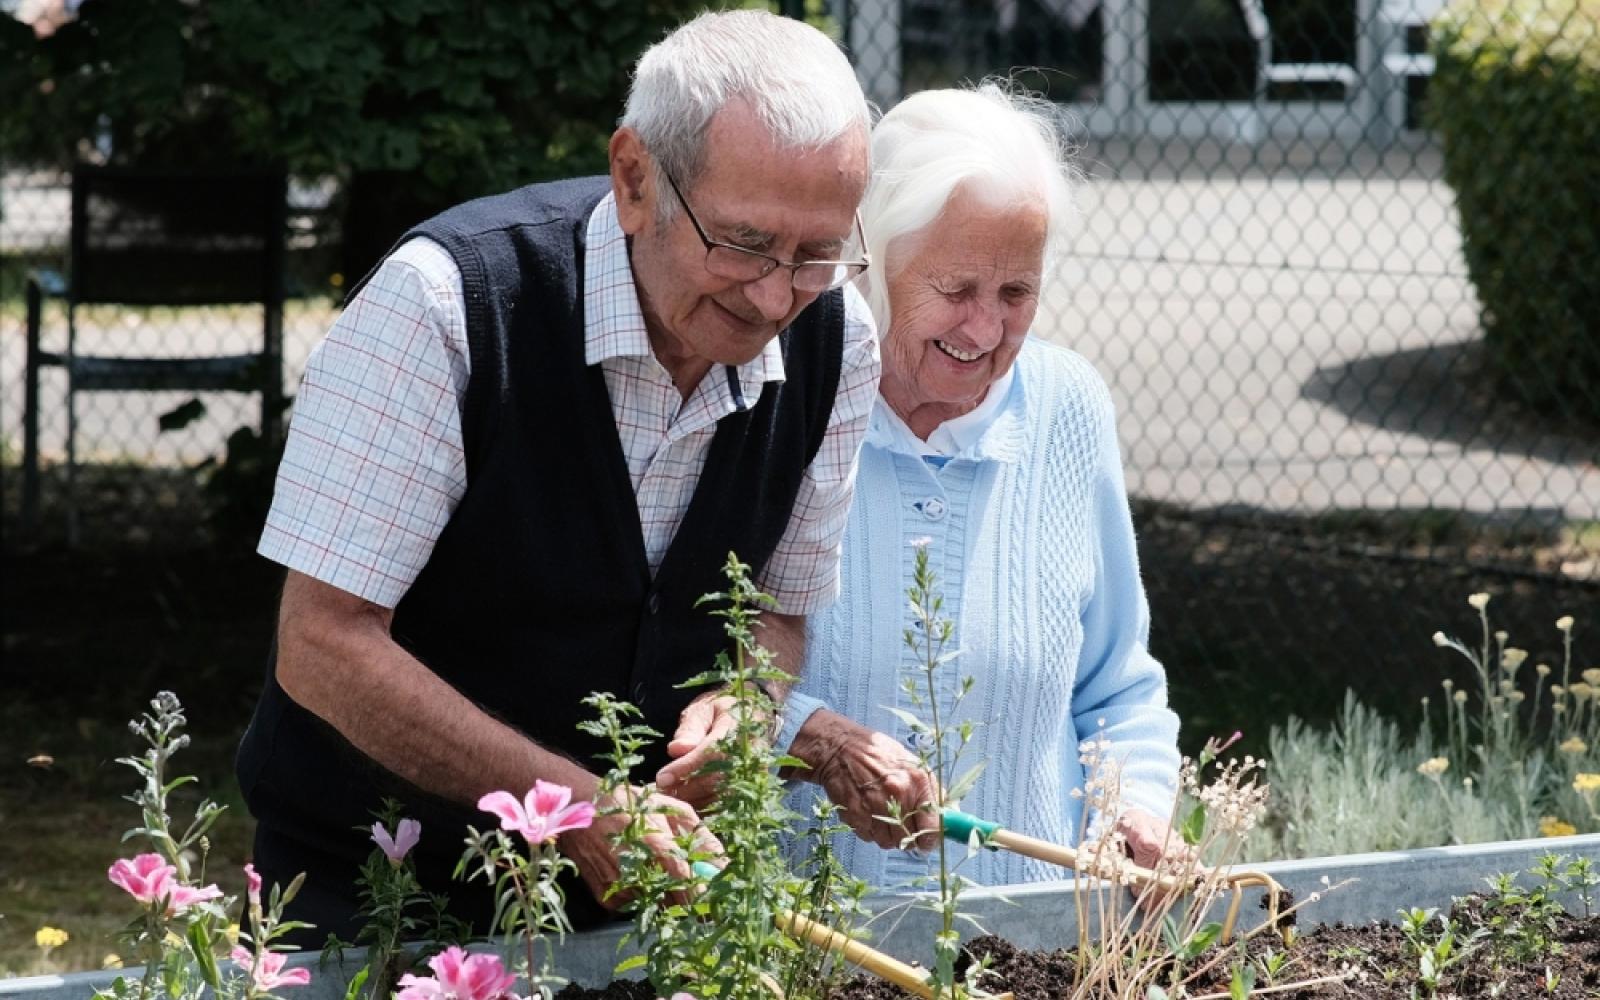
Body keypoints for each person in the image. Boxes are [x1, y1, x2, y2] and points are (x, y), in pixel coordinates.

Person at [235, 9, 880, 938]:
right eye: (743, 243)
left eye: (817, 253)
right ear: (633, 178)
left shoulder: (839, 339)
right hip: (381, 889)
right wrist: (572, 808)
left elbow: (778, 610)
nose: (778, 296)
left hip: (648, 901)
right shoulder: (445, 303)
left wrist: (745, 704)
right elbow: (324, 643)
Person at [778, 83, 1182, 887]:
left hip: (1028, 944)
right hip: (805, 941)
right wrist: (808, 736)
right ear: (875, 262)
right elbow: (698, 673)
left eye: (1016, 293)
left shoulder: (1068, 408)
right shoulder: (781, 400)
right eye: (956, 290)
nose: (985, 330)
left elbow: (1118, 686)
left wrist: (1132, 807)